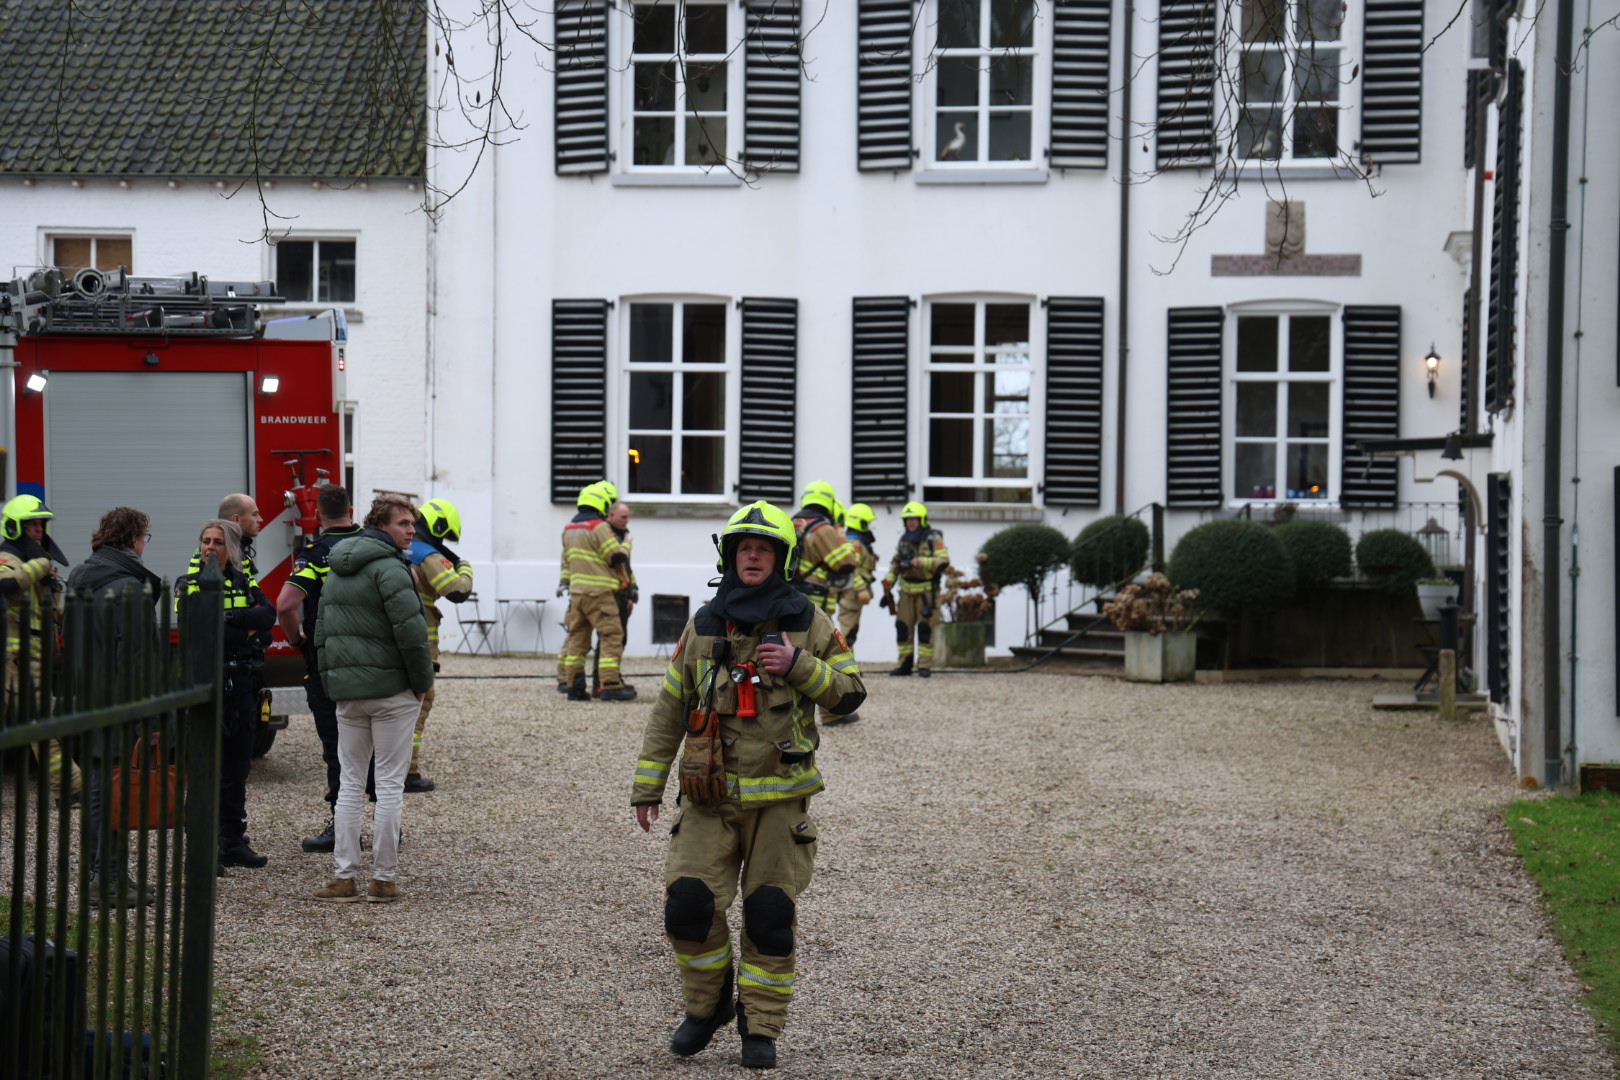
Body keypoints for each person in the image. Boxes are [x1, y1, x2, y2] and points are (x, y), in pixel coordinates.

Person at [631, 501, 866, 1070]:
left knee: (769, 915)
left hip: (781, 805)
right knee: (687, 907)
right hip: (708, 797)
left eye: (763, 548)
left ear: (780, 557)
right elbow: (670, 707)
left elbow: (851, 693)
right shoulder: (705, 622)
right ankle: (707, 1007)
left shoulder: (807, 620)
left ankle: (759, 1027)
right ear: (729, 556)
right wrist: (647, 785)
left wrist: (798, 664)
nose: (753, 556)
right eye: (744, 548)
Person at [311, 495, 434, 903]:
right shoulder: (392, 569)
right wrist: (422, 683)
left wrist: (332, 684)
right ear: (381, 525)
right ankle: (383, 878)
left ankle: (344, 877)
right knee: (389, 785)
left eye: (412, 524)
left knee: (349, 785)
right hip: (392, 692)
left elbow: (322, 633)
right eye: (403, 523)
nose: (411, 530)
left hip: (349, 696)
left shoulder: (337, 566)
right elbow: (412, 634)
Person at [64, 507, 164, 905]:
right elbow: (138, 660)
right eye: (145, 537)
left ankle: (108, 874)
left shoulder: (80, 576)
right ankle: (105, 880)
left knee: (98, 789)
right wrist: (150, 716)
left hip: (85, 697)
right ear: (135, 539)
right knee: (114, 792)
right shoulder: (127, 588)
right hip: (118, 704)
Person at [176, 520, 275, 869]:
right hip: (208, 685)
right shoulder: (187, 584)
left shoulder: (244, 580)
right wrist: (245, 629)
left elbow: (269, 616)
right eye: (205, 541)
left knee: (237, 767)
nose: (209, 548)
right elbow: (197, 628)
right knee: (206, 768)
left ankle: (231, 841)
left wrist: (230, 619)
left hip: (243, 685)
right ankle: (199, 848)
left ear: (230, 548)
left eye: (217, 542)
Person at [276, 483, 365, 852]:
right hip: (371, 660)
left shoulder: (316, 554)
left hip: (327, 662)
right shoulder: (373, 546)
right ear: (352, 509)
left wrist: (296, 640)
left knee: (337, 745)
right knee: (376, 745)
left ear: (320, 516)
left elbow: (285, 604)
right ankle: (389, 821)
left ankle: (342, 826)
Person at [0, 495, 80, 803]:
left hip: (31, 656)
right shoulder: (9, 558)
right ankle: (72, 789)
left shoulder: (32, 560)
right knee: (43, 726)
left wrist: (51, 588)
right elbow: (6, 585)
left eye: (40, 524)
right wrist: (39, 565)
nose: (38, 529)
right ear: (14, 527)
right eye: (31, 523)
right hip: (16, 658)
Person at [402, 497, 474, 792]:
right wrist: (465, 566)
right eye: (443, 534)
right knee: (419, 702)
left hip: (394, 641)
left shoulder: (401, 549)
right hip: (420, 644)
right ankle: (407, 772)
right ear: (437, 525)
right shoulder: (428, 554)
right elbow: (457, 591)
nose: (443, 540)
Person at [556, 482, 634, 702]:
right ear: (602, 502)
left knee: (577, 640)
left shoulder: (569, 528)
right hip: (599, 594)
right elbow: (616, 556)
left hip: (577, 594)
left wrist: (564, 584)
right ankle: (610, 685)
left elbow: (566, 561)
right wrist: (627, 545)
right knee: (611, 636)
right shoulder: (598, 526)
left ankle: (574, 687)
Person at [881, 500, 950, 678]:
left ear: (922, 520)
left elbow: (943, 561)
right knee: (903, 628)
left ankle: (925, 666)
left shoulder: (933, 538)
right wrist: (889, 584)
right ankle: (904, 664)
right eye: (908, 519)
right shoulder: (904, 539)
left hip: (927, 593)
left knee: (926, 629)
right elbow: (895, 564)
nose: (911, 522)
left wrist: (922, 562)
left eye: (914, 519)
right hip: (906, 592)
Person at [824, 502, 877, 726]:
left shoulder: (857, 541)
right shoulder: (855, 542)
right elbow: (852, 568)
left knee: (851, 631)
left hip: (854, 593)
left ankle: (848, 668)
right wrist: (861, 587)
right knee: (846, 633)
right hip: (852, 594)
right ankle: (846, 670)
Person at [591, 500, 638, 697]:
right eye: (623, 517)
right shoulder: (607, 534)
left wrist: (632, 592)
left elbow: (626, 568)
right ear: (611, 516)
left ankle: (614, 677)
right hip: (609, 594)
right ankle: (601, 683)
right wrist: (626, 544)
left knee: (620, 640)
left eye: (628, 517)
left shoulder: (621, 534)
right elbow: (617, 559)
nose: (627, 521)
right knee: (608, 639)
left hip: (622, 594)